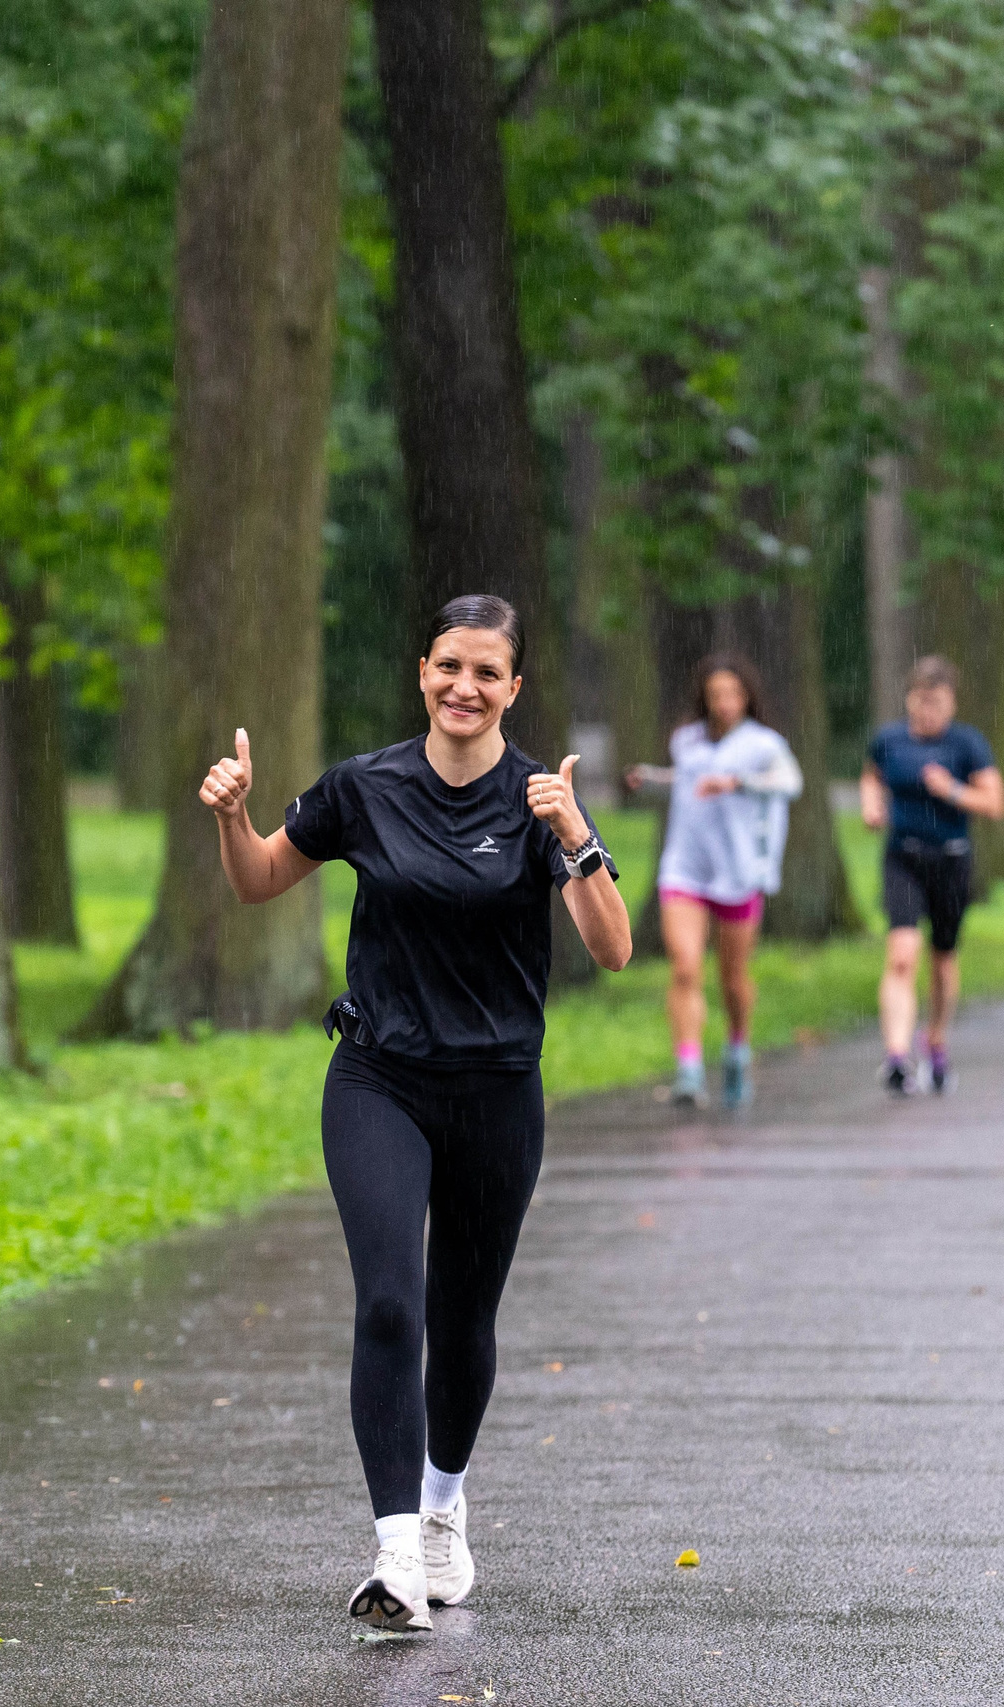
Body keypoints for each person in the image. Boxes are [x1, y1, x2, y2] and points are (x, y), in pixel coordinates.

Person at [195, 593, 631, 1635]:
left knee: (462, 1317)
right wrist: (230, 815)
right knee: (390, 1303)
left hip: (496, 1091)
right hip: (379, 1080)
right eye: (448, 667)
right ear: (421, 672)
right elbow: (260, 881)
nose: (464, 688)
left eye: (487, 673)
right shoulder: (363, 788)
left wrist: (575, 836)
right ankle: (394, 1552)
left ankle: (442, 1509)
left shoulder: (540, 804)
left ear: (513, 689)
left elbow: (613, 948)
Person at [626, 655, 804, 1109]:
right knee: (685, 967)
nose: (723, 703)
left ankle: (737, 1047)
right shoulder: (687, 740)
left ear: (747, 697)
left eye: (732, 695)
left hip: (739, 873)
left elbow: (791, 783)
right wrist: (650, 781)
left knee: (732, 979)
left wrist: (737, 782)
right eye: (715, 695)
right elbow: (689, 782)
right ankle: (688, 1068)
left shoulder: (765, 744)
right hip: (685, 868)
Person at [860, 656, 1004, 1095]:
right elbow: (871, 776)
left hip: (951, 859)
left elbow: (994, 804)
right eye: (921, 703)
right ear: (908, 699)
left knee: (943, 958)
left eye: (937, 704)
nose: (928, 713)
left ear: (953, 704)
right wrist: (870, 804)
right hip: (903, 856)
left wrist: (953, 789)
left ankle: (936, 1040)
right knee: (902, 953)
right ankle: (897, 1057)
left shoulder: (967, 745)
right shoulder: (889, 740)